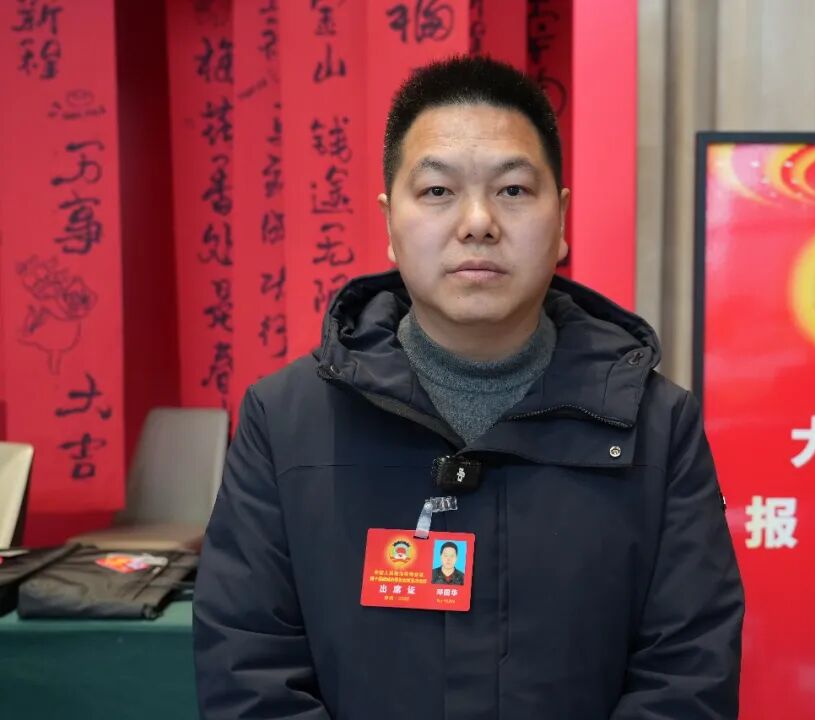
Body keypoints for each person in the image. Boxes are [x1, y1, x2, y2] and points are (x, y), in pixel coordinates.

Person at [194, 55, 744, 720]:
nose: (478, 221)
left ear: (561, 219)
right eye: (437, 191)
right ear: (389, 223)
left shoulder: (658, 426)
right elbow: (250, 672)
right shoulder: (285, 421)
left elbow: (687, 677)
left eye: (513, 190)